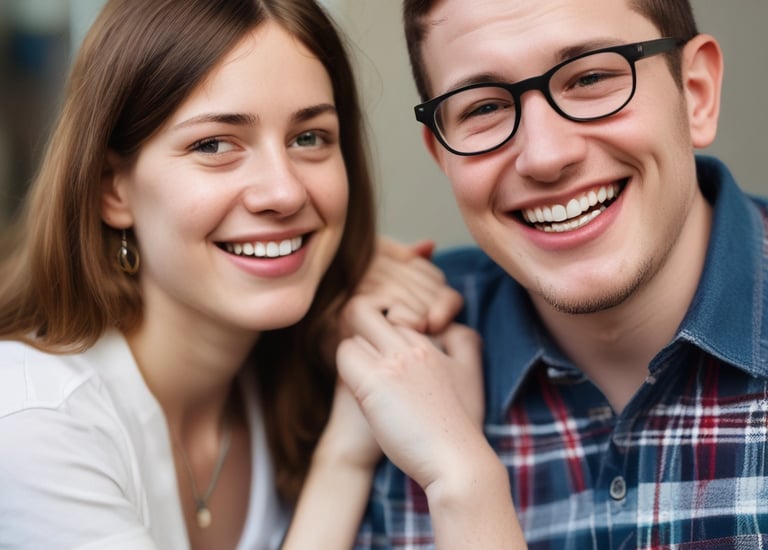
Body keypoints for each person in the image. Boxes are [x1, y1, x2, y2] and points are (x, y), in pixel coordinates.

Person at [0, 0, 502, 548]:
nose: (284, 192)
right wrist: (344, 460)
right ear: (110, 190)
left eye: (309, 137)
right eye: (214, 145)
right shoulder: (30, 418)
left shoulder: (284, 375)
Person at [352, 0, 768, 548]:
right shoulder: (392, 359)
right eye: (483, 108)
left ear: (695, 92)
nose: (545, 157)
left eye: (592, 77)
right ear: (443, 157)